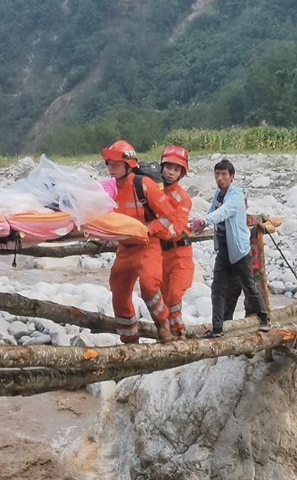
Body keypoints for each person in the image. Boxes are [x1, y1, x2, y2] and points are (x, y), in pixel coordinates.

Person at [103, 140, 180, 344]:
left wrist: (148, 229)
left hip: (147, 245)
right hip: (125, 249)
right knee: (118, 290)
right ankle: (129, 338)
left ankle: (163, 328)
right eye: (109, 163)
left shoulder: (143, 185)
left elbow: (168, 214)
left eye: (116, 163)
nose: (111, 167)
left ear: (129, 165)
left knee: (149, 286)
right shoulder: (109, 191)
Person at [190, 159, 270, 336]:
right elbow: (212, 211)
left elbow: (223, 212)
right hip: (225, 250)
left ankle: (265, 318)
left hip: (239, 251)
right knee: (217, 288)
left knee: (248, 285)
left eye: (224, 174)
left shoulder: (236, 196)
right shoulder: (219, 194)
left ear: (232, 177)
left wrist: (204, 221)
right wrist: (197, 224)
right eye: (217, 174)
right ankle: (217, 328)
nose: (220, 178)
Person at [158, 146, 194, 340]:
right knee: (162, 299)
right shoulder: (155, 192)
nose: (170, 172)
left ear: (182, 173)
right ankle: (168, 335)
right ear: (162, 167)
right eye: (168, 167)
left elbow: (177, 228)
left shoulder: (183, 198)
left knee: (174, 297)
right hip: (161, 255)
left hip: (180, 253)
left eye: (175, 169)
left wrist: (152, 230)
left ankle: (179, 334)